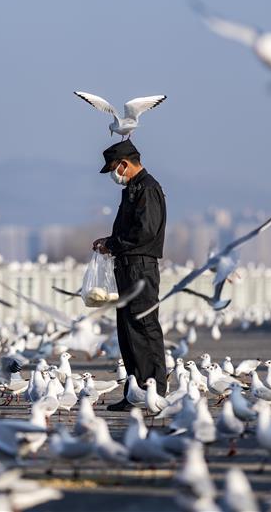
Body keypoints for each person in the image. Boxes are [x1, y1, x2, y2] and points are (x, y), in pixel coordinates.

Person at [93, 139, 168, 409]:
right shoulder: (133, 190)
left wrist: (112, 244)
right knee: (127, 330)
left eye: (114, 168)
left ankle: (155, 390)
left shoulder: (148, 189)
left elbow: (144, 232)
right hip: (126, 266)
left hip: (141, 267)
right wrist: (109, 241)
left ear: (124, 164)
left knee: (144, 327)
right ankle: (135, 393)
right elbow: (129, 231)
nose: (114, 174)